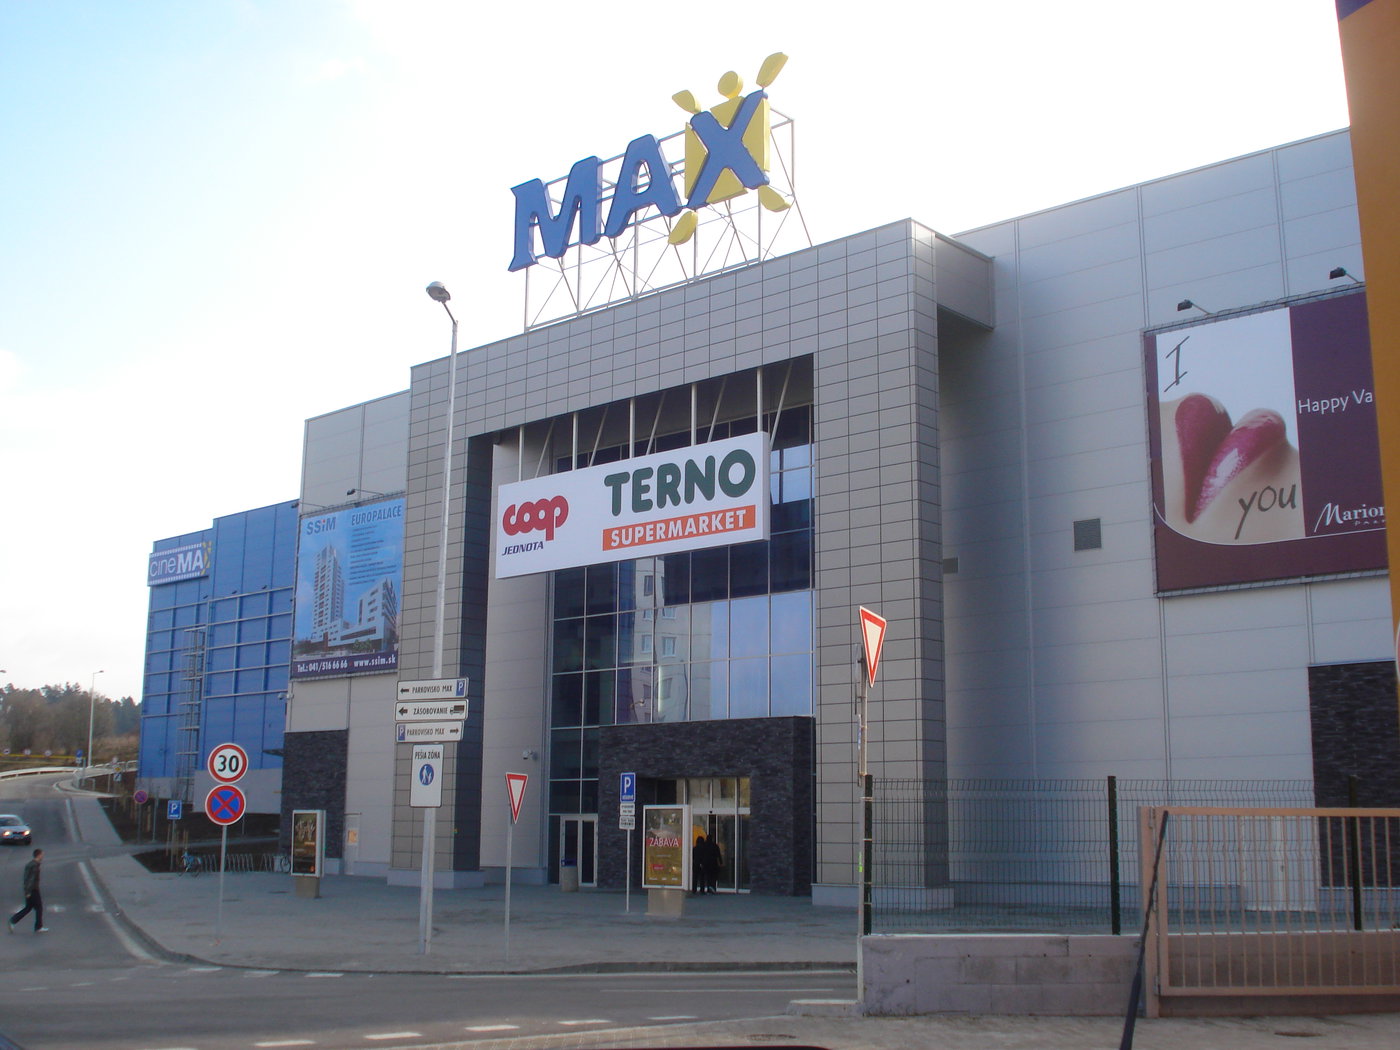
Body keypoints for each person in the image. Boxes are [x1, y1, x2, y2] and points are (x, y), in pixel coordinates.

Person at [8, 848, 47, 933]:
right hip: (33, 890)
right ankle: (38, 927)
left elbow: (26, 878)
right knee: (39, 908)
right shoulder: (35, 866)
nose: (43, 856)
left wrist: (26, 890)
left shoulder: (30, 864)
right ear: (38, 855)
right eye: (42, 855)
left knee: (28, 908)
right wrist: (28, 892)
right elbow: (31, 880)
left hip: (30, 889)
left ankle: (13, 921)